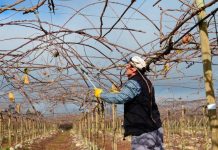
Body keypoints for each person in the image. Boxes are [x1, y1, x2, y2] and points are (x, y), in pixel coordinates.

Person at [94, 56, 164, 150]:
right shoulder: (147, 81)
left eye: (129, 65)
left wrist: (101, 94)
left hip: (143, 132)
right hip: (156, 129)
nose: (126, 67)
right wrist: (119, 93)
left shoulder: (134, 82)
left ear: (134, 69)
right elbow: (134, 96)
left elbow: (121, 98)